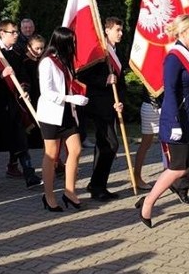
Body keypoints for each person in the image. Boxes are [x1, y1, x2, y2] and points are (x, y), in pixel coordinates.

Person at [136, 14, 189, 230]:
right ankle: (148, 202)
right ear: (183, 31)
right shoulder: (174, 57)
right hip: (180, 118)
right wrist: (173, 122)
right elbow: (170, 91)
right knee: (179, 168)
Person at [0, 19, 42, 190]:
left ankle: (29, 174)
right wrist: (0, 75)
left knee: (20, 139)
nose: (16, 35)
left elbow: (23, 76)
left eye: (16, 32)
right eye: (12, 32)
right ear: (1, 33)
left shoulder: (17, 53)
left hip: (12, 104)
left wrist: (24, 87)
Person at [36, 27, 88, 212]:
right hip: (51, 114)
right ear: (62, 42)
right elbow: (47, 92)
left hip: (67, 112)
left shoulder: (64, 62)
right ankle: (49, 196)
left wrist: (76, 96)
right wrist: (70, 98)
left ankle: (69, 191)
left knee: (76, 149)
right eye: (72, 42)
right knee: (51, 155)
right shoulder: (47, 62)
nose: (74, 45)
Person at [79, 17, 125, 201]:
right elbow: (83, 75)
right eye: (117, 30)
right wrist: (104, 81)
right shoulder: (99, 51)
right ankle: (97, 185)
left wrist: (120, 101)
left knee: (104, 145)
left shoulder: (115, 51)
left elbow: (120, 81)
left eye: (121, 30)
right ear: (107, 30)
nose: (120, 34)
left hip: (111, 104)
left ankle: (98, 185)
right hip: (99, 105)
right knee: (110, 144)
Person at [132, 89, 161, 190]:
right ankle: (136, 177)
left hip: (167, 103)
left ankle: (174, 176)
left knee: (171, 143)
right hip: (150, 105)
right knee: (146, 143)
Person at [22, 34, 47, 154]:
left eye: (42, 48)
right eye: (37, 48)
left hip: (41, 98)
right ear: (29, 47)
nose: (40, 51)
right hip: (30, 99)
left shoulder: (42, 61)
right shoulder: (24, 62)